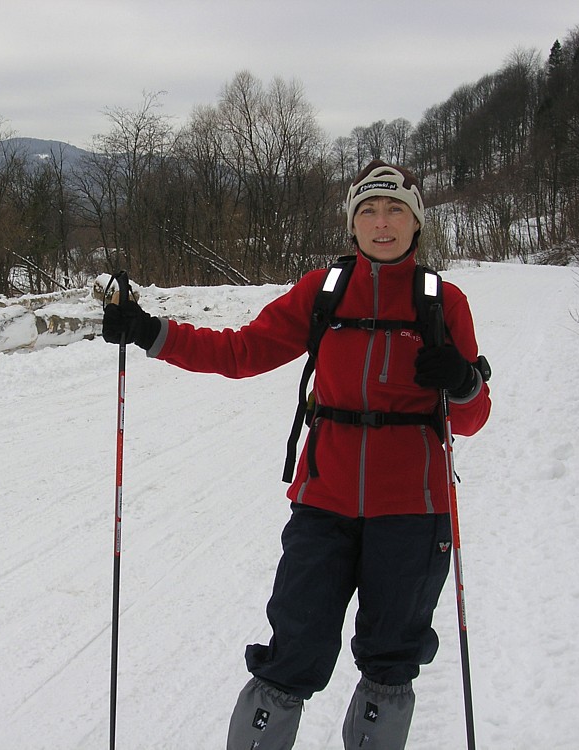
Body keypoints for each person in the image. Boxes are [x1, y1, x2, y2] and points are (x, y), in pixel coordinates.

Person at [101, 160, 492, 749]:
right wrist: (150, 332)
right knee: (292, 652)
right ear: (352, 223)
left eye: (395, 211)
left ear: (416, 222)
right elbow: (241, 352)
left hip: (413, 511)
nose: (381, 223)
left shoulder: (443, 303)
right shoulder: (323, 291)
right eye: (368, 211)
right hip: (324, 503)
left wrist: (461, 381)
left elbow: (472, 418)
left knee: (391, 659)